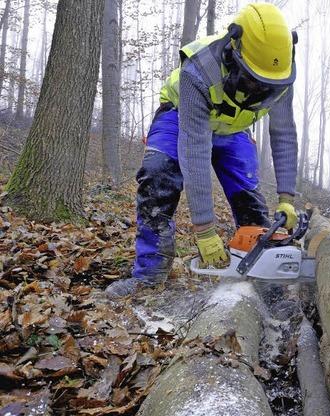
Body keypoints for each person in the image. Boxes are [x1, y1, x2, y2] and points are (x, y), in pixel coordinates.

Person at [106, 3, 299, 298]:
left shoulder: (281, 72)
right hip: (181, 117)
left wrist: (287, 199)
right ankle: (149, 274)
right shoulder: (199, 68)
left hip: (232, 128)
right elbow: (194, 149)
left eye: (267, 85)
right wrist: (204, 227)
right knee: (157, 174)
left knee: (249, 196)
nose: (261, 90)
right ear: (235, 51)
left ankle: (261, 275)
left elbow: (284, 134)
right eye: (253, 80)